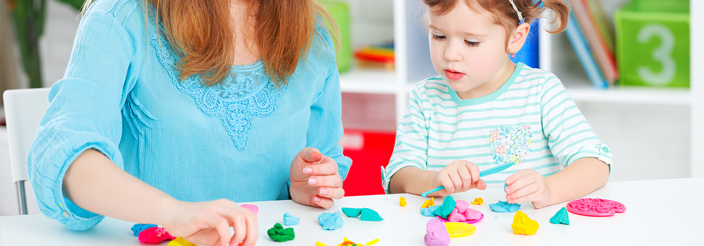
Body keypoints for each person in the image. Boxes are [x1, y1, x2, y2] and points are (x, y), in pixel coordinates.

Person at [27, 0, 351, 245]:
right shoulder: (122, 16)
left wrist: (308, 188)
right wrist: (173, 213)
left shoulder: (313, 36)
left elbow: (326, 161)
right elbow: (65, 159)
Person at [382, 0, 612, 209]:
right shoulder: (426, 97)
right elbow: (397, 179)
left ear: (516, 38)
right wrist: (433, 181)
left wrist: (548, 189)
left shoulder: (541, 91)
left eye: (471, 42)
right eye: (438, 36)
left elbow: (596, 165)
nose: (451, 54)